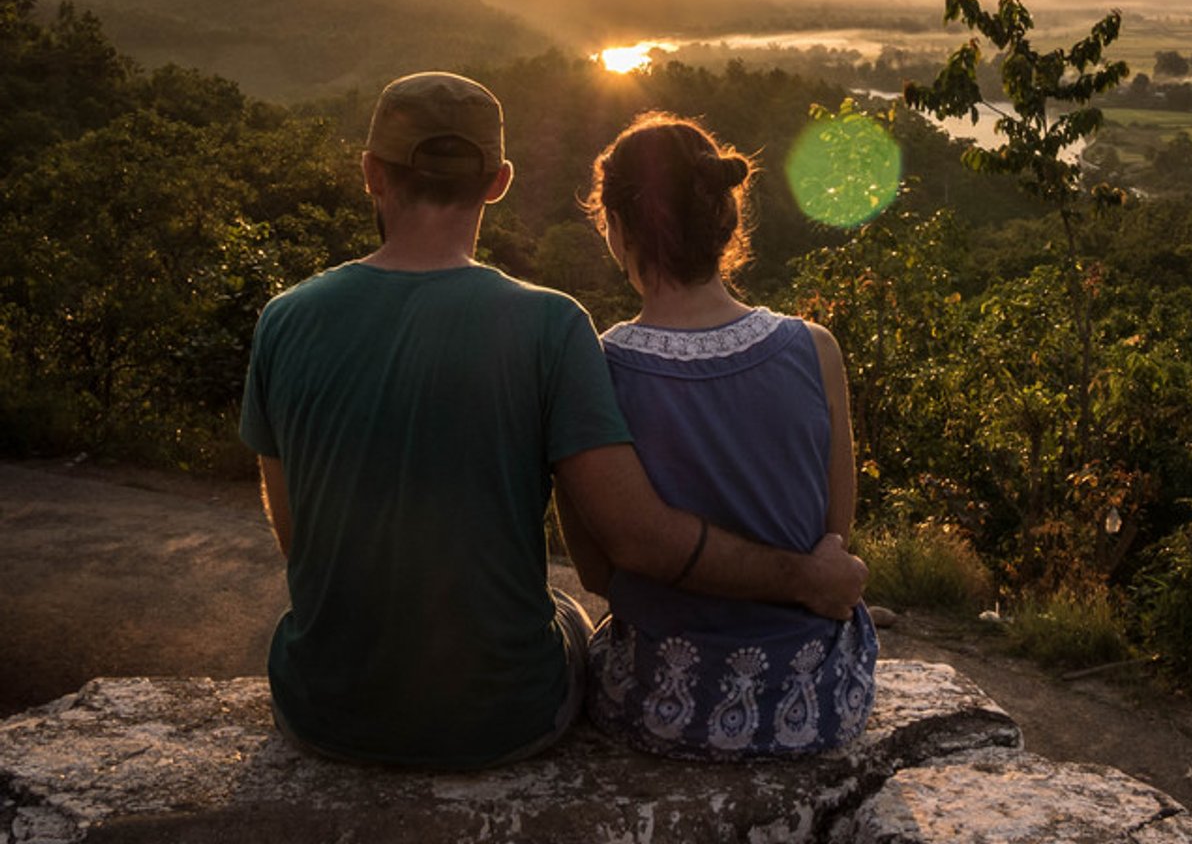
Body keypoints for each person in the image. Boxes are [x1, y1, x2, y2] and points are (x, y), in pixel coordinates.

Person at [239, 72, 865, 770]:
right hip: (500, 716)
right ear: (499, 180)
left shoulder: (283, 321)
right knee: (561, 614)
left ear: (370, 174)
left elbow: (299, 537)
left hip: (321, 706)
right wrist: (808, 578)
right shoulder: (550, 326)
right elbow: (640, 540)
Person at [558, 112, 877, 758]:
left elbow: (597, 571)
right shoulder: (815, 349)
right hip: (815, 704)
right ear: (725, 223)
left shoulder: (597, 369)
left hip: (660, 706)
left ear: (616, 230)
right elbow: (833, 537)